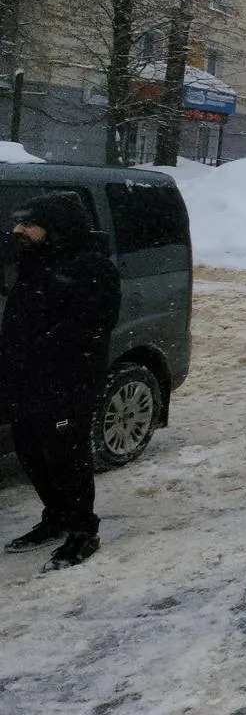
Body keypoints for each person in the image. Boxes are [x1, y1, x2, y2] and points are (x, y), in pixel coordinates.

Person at [1, 192, 120, 571]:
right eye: (17, 222)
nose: (17, 230)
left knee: (66, 457)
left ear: (56, 227)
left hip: (67, 381)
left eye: (27, 223)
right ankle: (55, 517)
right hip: (27, 380)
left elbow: (90, 326)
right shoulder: (36, 259)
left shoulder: (91, 267)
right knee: (30, 451)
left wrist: (37, 349)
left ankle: (83, 530)